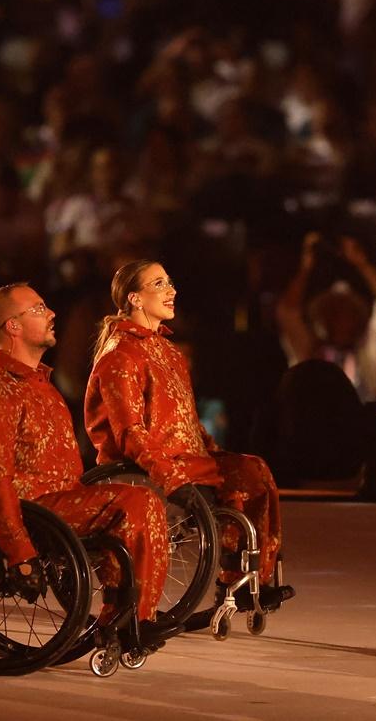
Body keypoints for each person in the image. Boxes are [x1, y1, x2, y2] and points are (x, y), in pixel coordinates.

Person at [0, 282, 173, 641]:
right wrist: (20, 552)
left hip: (61, 500)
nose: (52, 313)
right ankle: (134, 618)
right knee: (138, 501)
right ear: (13, 326)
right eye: (38, 309)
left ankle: (129, 611)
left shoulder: (41, 386)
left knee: (136, 500)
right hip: (33, 512)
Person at [84, 260, 294, 613]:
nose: (172, 290)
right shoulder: (120, 355)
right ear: (135, 299)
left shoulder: (170, 352)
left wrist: (214, 452)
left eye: (170, 281)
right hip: (147, 464)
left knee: (252, 471)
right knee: (233, 481)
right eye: (159, 284)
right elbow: (129, 434)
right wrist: (169, 473)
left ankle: (242, 580)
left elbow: (188, 421)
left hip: (190, 460)